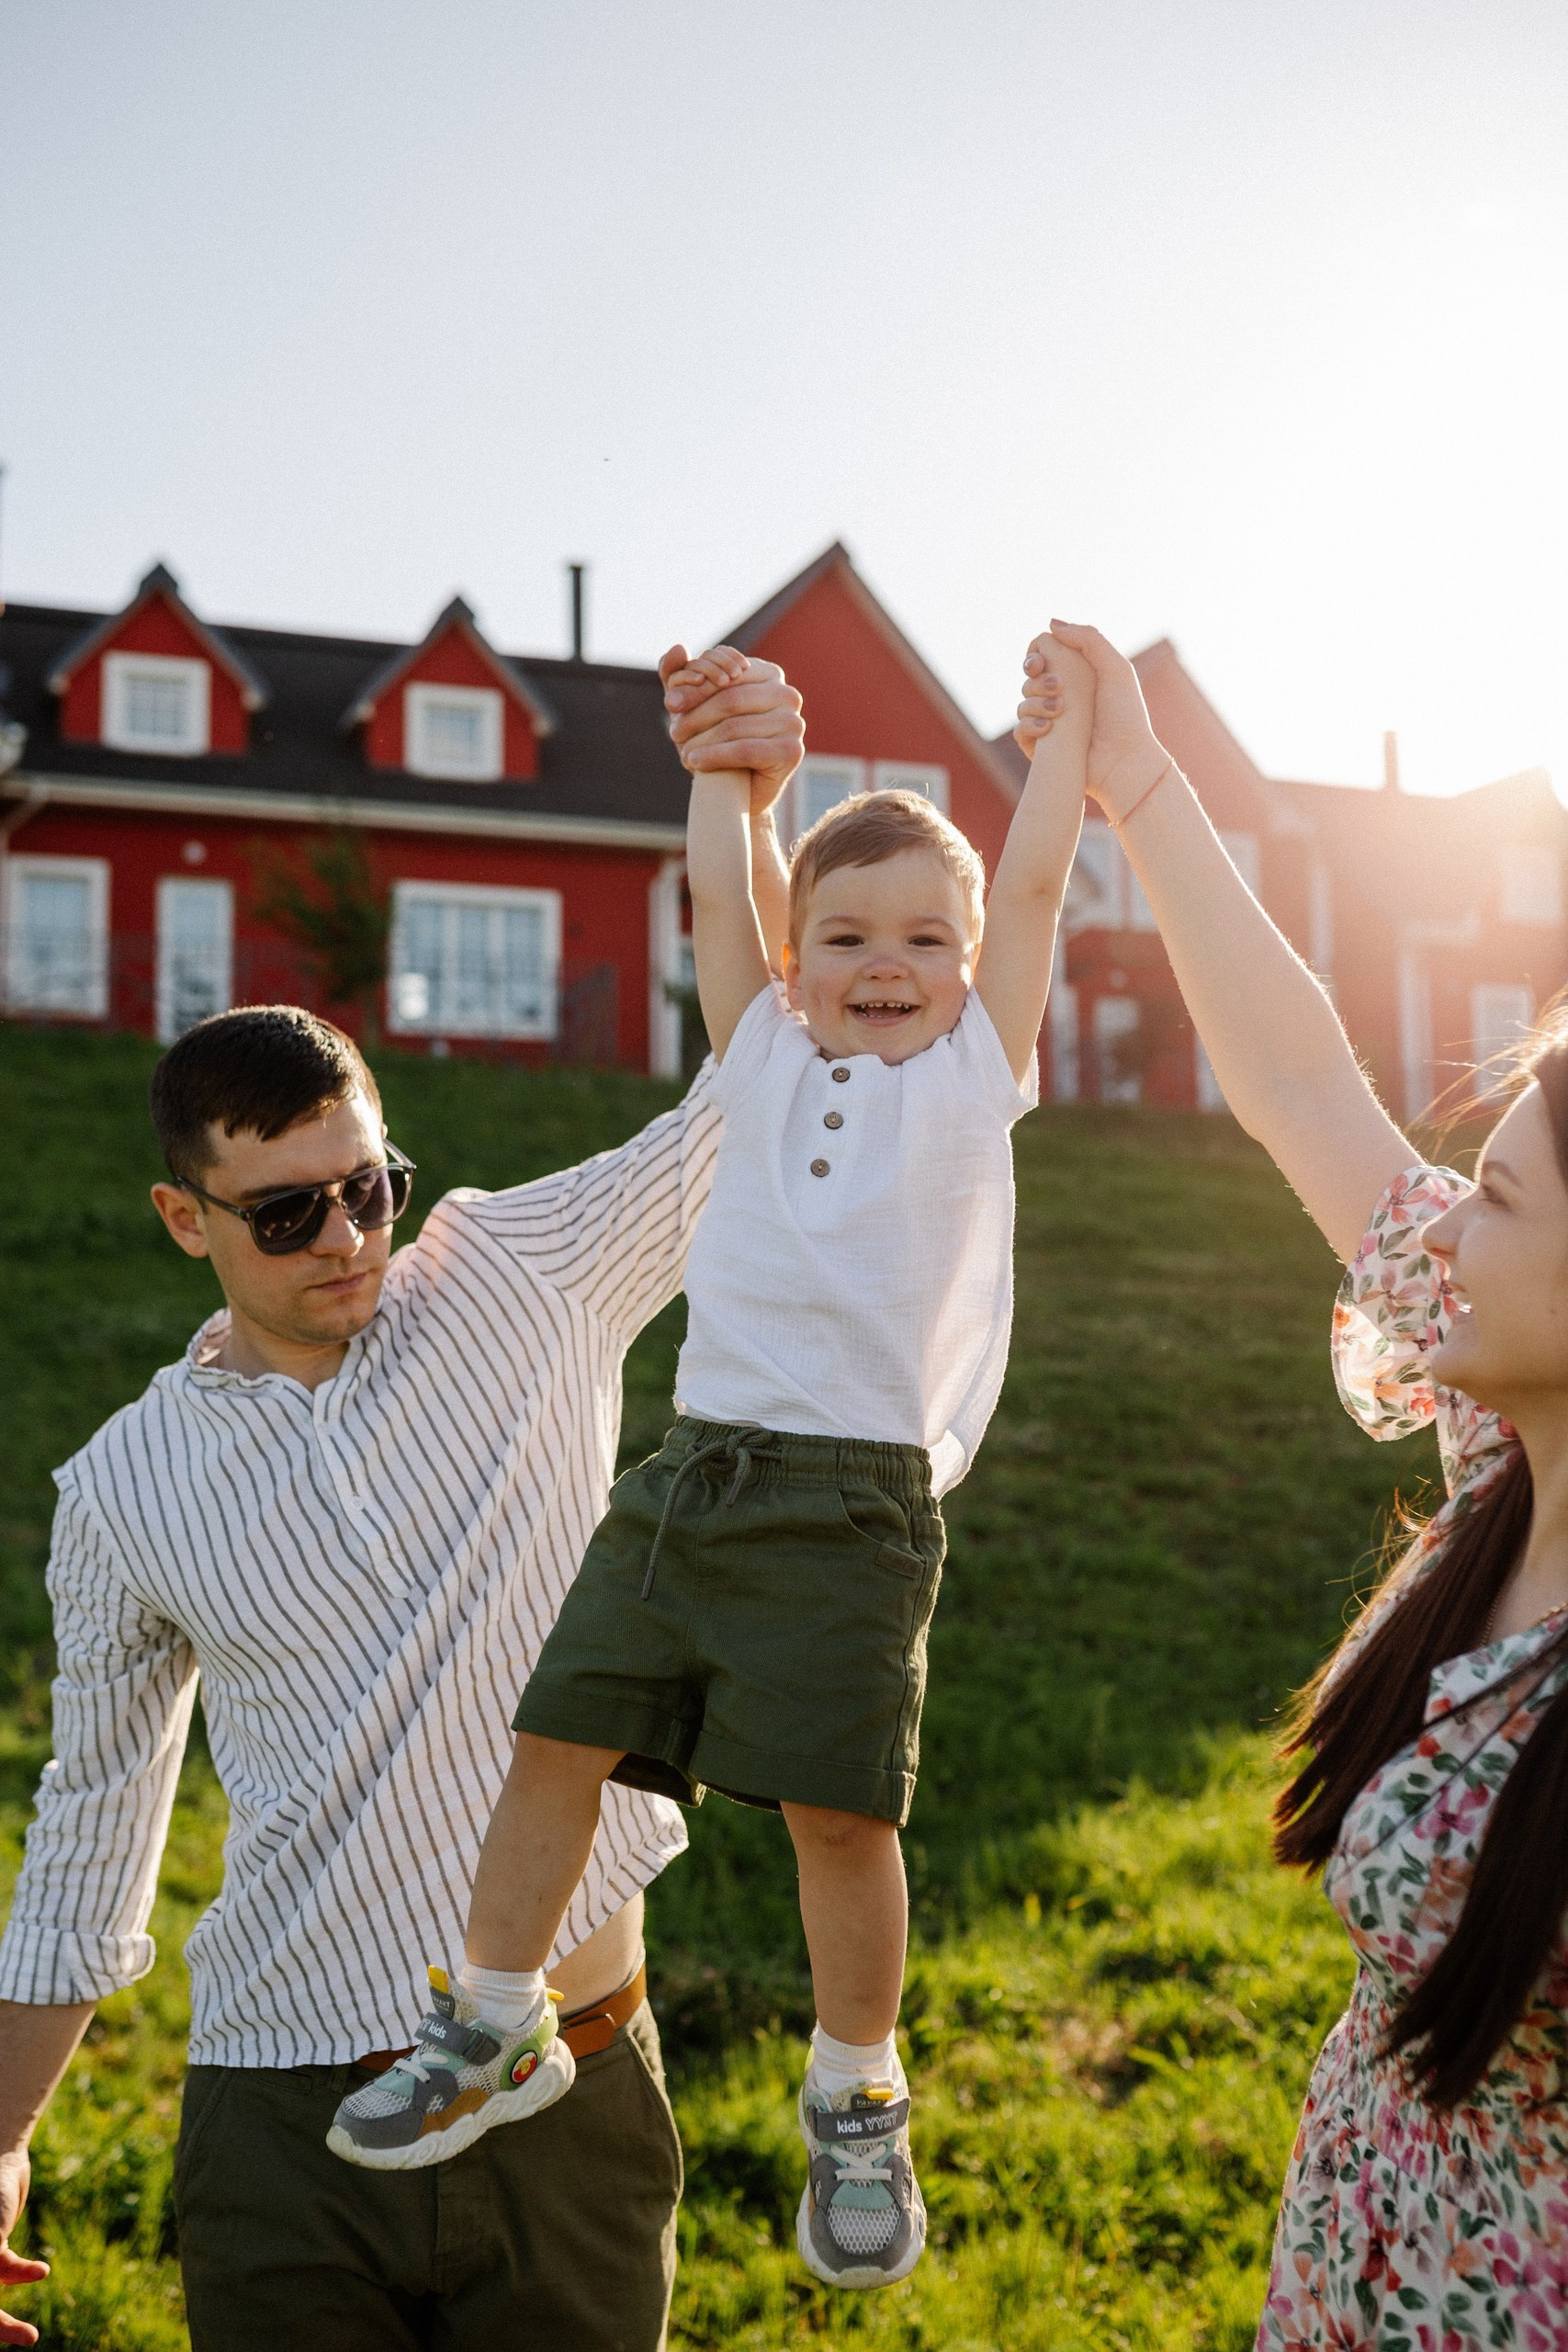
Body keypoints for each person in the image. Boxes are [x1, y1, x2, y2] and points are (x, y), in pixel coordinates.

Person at [0, 650, 806, 2352]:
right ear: (183, 1219)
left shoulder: (518, 1269)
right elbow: (94, 1829)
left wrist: (744, 797)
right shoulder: (124, 1486)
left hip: (571, 2092)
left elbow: (765, 1096)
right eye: (284, 1214)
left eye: (368, 1188)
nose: (348, 1240)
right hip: (283, 2127)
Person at [329, 639, 1096, 2296]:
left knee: (839, 1817)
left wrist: (1064, 748)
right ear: (799, 961)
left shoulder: (977, 1080)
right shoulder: (759, 1056)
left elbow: (1033, 887)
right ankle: (489, 2020)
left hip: (855, 1501)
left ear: (975, 966)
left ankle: (858, 2092)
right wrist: (724, 773)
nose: (883, 965)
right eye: (845, 937)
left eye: (924, 939)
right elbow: (716, 900)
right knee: (554, 1738)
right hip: (694, 1477)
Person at [1014, 621, 1568, 2349]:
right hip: (1358, 2264)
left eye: (1498, 1201)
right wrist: (1144, 786)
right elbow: (1302, 1091)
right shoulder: (1504, 1450)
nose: (1438, 1228)